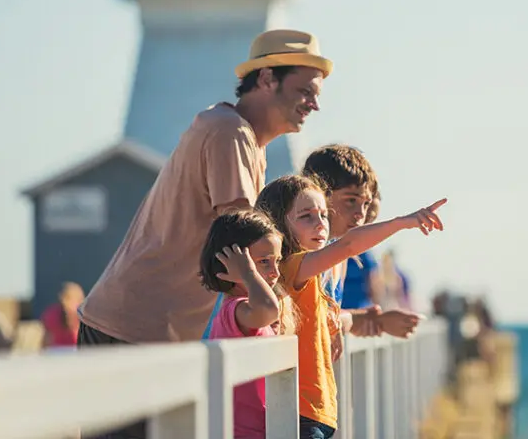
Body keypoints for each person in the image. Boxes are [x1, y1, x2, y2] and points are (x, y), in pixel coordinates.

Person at [76, 30, 330, 439]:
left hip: (145, 328)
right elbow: (246, 245)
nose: (314, 104)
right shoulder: (230, 133)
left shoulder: (235, 132)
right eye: (304, 91)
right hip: (136, 330)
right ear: (266, 78)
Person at [256, 174, 446, 438]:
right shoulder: (292, 267)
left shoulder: (311, 278)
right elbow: (348, 244)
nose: (321, 224)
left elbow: (328, 321)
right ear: (278, 224)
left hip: (318, 412)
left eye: (323, 215)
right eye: (306, 216)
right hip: (301, 414)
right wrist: (403, 223)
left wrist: (368, 321)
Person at [302, 145, 423, 339]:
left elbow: (328, 318)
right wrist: (401, 223)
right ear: (319, 194)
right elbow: (306, 320)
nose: (360, 214)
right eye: (351, 200)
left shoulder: (340, 254)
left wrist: (375, 321)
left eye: (365, 204)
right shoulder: (303, 249)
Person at [199, 209, 297, 438]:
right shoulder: (235, 310)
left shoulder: (247, 308)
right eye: (264, 262)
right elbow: (269, 310)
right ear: (229, 266)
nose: (275, 272)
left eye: (277, 261)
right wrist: (248, 273)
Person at [41, 282, 85, 348]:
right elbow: (45, 344)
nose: (65, 302)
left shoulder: (87, 320)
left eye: (69, 298)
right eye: (64, 298)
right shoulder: (52, 316)